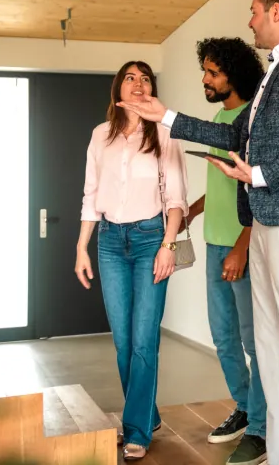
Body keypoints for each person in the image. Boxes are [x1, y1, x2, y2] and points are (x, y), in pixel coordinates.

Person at [119, 0, 279, 465]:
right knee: (271, 353)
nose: (248, 20)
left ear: (275, 11)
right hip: (270, 223)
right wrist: (165, 116)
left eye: (253, 11)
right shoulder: (276, 71)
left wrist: (261, 174)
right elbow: (230, 133)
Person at [76, 60, 188, 461]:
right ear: (118, 90)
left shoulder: (164, 133)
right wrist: (81, 248)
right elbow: (90, 196)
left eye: (145, 78)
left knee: (144, 340)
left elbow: (176, 199)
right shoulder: (100, 136)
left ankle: (137, 428)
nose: (138, 84)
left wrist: (168, 246)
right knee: (123, 343)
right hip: (109, 243)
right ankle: (148, 412)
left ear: (151, 89)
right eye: (130, 78)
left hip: (150, 241)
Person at [184, 37, 268, 465]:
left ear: (233, 75)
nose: (206, 79)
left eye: (213, 72)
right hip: (215, 242)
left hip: (241, 246)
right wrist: (192, 212)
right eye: (206, 71)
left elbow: (258, 188)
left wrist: (242, 245)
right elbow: (222, 184)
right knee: (224, 338)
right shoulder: (221, 116)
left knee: (254, 340)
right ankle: (245, 407)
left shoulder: (252, 119)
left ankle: (261, 429)